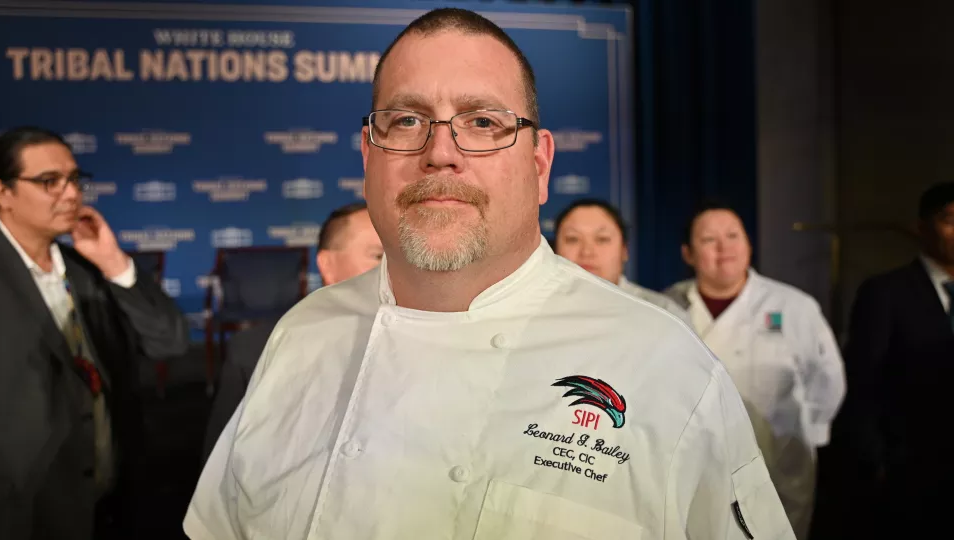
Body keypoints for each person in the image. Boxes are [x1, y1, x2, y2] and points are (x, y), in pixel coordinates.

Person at [185, 9, 793, 539]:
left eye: (482, 122)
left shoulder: (664, 367)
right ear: (368, 158)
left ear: (539, 163)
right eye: (405, 121)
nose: (440, 151)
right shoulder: (302, 335)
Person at [0, 126, 188, 540]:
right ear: (2, 192)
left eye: (75, 180)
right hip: (21, 509)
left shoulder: (87, 267)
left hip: (107, 501)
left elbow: (169, 340)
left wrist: (115, 262)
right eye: (49, 182)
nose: (69, 194)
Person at [665, 200, 845, 540]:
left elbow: (827, 380)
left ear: (749, 244)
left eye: (733, 235)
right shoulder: (667, 306)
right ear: (688, 253)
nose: (724, 248)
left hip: (779, 462)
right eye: (708, 240)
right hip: (694, 464)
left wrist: (810, 432)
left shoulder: (794, 307)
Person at [200, 202, 382, 462]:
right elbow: (221, 466)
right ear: (328, 265)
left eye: (403, 254)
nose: (395, 267)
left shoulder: (442, 346)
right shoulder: (255, 353)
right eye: (378, 256)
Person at [824, 182, 954, 537]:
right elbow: (862, 381)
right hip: (911, 467)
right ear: (922, 227)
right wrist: (875, 459)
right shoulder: (886, 292)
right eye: (950, 220)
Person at [553, 198, 692, 325]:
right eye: (572, 239)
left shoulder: (664, 313)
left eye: (602, 239)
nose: (587, 252)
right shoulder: (536, 308)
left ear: (624, 250)